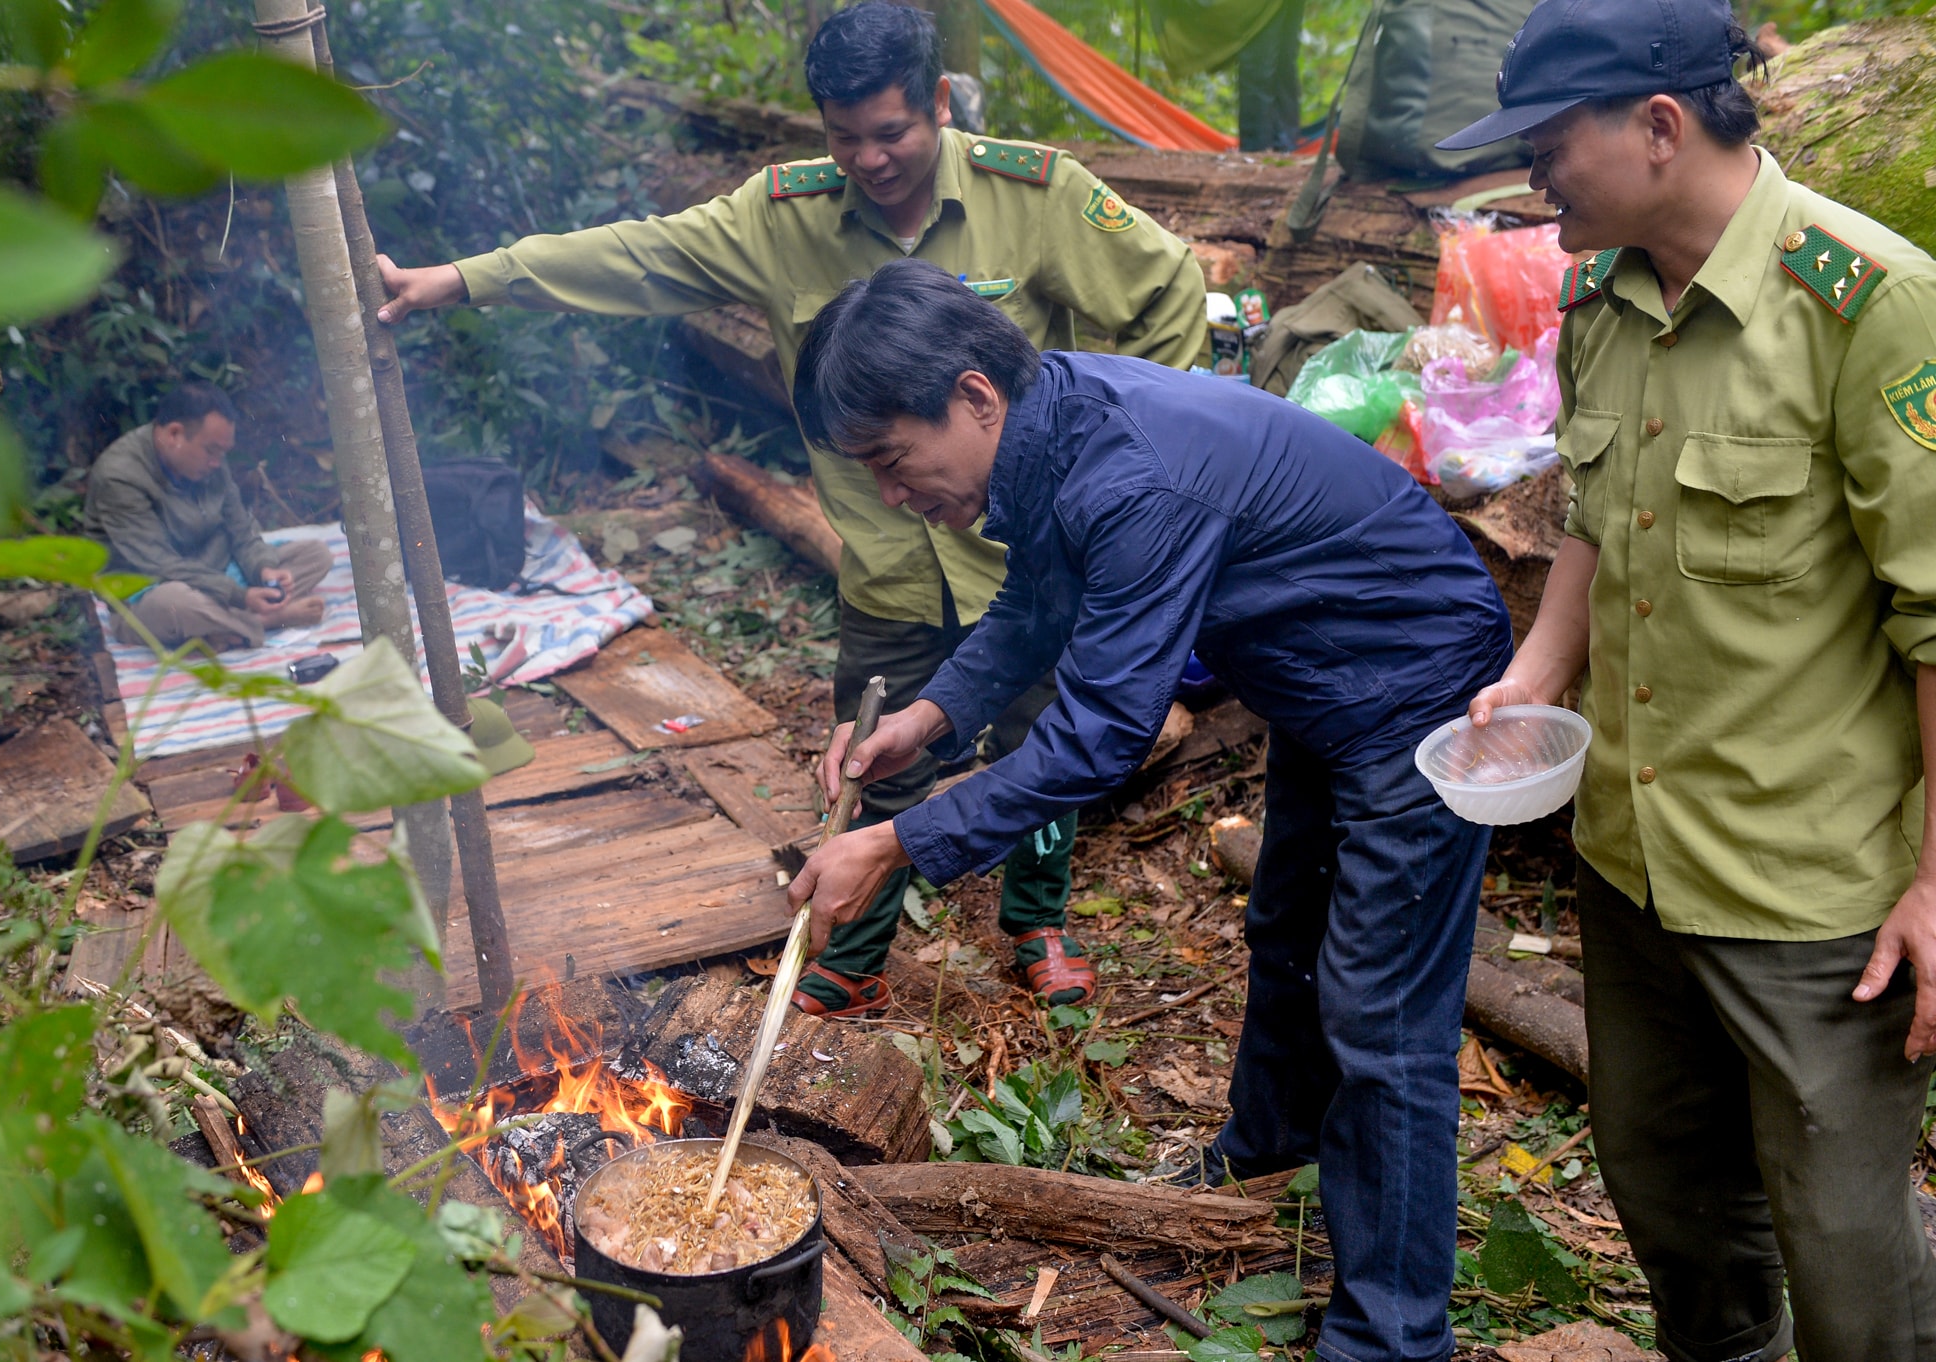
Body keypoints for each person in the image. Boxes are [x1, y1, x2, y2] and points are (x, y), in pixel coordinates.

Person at [374, 0, 1207, 1016]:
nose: (868, 158)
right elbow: (637, 256)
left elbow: (1166, 288)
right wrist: (462, 281)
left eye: (891, 132)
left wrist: (1111, 457)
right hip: (887, 565)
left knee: (1037, 743)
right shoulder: (781, 216)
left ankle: (1036, 921)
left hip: (1021, 556)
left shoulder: (1030, 193)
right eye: (843, 136)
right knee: (876, 751)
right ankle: (854, 951)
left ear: (937, 104)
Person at [785, 259, 1513, 1362]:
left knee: (1384, 1019)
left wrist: (894, 841)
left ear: (973, 397)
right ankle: (1261, 1171)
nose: (892, 495)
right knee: (1287, 934)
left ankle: (1392, 1336)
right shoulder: (1054, 420)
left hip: (1416, 688)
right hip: (1319, 681)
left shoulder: (1131, 477)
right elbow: (1034, 606)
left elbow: (1098, 734)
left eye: (893, 462)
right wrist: (928, 719)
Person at [1436, 0, 1936, 1354]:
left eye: (1550, 147)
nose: (1535, 183)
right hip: (1634, 854)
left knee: (1846, 1249)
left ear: (1660, 126)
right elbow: (1604, 516)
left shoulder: (1868, 301)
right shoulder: (1601, 300)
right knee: (1671, 1203)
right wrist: (1535, 669)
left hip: (1810, 888)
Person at [86, 383, 330, 652]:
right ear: (174, 434)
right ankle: (268, 621)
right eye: (211, 451)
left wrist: (264, 568)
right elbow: (160, 565)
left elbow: (242, 528)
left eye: (222, 453)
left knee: (316, 554)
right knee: (176, 603)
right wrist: (240, 597)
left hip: (216, 573)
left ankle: (223, 629)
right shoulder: (119, 477)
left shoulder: (210, 459)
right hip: (150, 594)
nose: (217, 462)